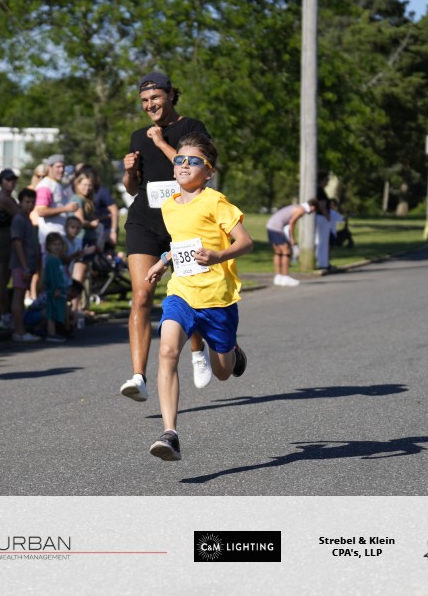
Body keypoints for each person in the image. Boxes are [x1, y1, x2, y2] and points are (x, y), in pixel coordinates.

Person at [143, 133, 252, 461]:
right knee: (166, 350)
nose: (184, 165)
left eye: (194, 161)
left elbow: (245, 242)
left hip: (217, 298)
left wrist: (218, 256)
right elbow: (181, 243)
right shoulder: (169, 205)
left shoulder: (215, 201)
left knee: (222, 372)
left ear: (209, 172)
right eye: (180, 159)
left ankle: (232, 350)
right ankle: (170, 434)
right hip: (182, 293)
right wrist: (163, 262)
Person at [120, 72, 212, 403]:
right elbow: (133, 188)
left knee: (190, 294)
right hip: (144, 220)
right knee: (142, 294)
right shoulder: (138, 135)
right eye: (144, 101)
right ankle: (138, 377)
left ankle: (198, 350)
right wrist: (128, 171)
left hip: (184, 223)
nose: (150, 105)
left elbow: (195, 169)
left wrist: (160, 142)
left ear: (171, 95)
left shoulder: (192, 128)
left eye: (155, 98)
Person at [0, 168, 20, 328]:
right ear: (1, 182)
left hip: (7, 238)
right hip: (2, 238)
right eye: (7, 180)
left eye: (13, 179)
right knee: (1, 279)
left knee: (1, 280)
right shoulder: (3, 198)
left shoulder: (8, 198)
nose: (11, 182)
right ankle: (4, 315)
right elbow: (19, 215)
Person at [10, 188, 42, 343]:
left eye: (32, 202)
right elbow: (17, 243)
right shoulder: (19, 220)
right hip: (20, 265)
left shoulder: (27, 219)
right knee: (18, 296)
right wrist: (24, 267)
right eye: (27, 202)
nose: (30, 205)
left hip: (28, 264)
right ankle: (19, 331)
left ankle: (21, 328)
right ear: (20, 203)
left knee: (22, 296)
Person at [266, 198, 318, 286]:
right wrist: (292, 238)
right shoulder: (301, 210)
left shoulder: (297, 207)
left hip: (270, 225)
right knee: (286, 251)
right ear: (313, 207)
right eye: (314, 210)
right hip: (276, 227)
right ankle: (285, 277)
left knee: (278, 252)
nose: (313, 212)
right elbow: (292, 222)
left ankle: (278, 277)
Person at [35, 154, 77, 252]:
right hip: (50, 240)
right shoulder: (45, 186)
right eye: (58, 167)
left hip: (59, 238)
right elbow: (41, 211)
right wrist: (65, 209)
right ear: (50, 168)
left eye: (63, 167)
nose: (61, 170)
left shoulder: (57, 185)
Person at [43, 232, 70, 343]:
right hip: (54, 291)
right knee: (52, 314)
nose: (57, 247)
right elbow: (52, 276)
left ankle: (59, 331)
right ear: (49, 246)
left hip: (60, 290)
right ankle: (51, 334)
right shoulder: (51, 260)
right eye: (54, 244)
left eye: (59, 244)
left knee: (59, 312)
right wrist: (56, 288)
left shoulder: (57, 258)